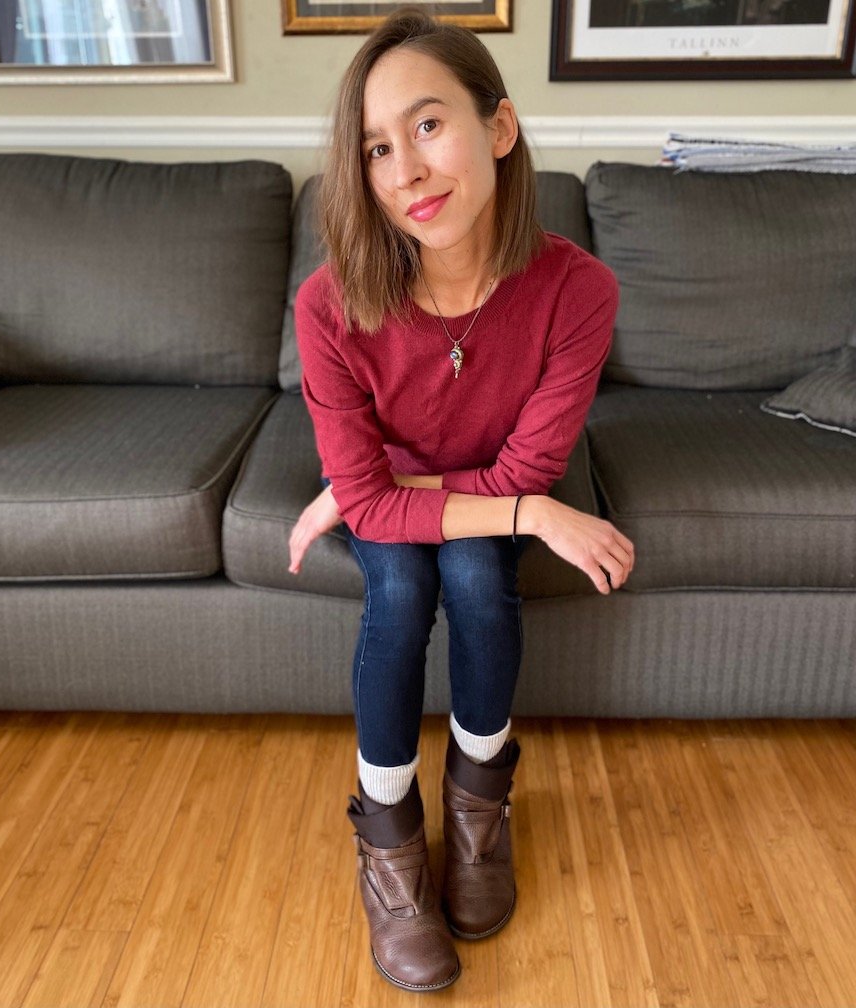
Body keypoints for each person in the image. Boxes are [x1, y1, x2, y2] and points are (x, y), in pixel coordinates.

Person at [288, 5, 634, 993]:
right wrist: (523, 512)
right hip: (444, 484)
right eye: (375, 148)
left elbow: (522, 470)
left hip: (474, 475)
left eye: (428, 125)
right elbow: (515, 499)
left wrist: (372, 496)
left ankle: (479, 813)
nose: (404, 172)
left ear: (500, 127)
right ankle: (390, 850)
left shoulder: (580, 290)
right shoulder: (329, 303)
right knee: (400, 594)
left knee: (479, 577)